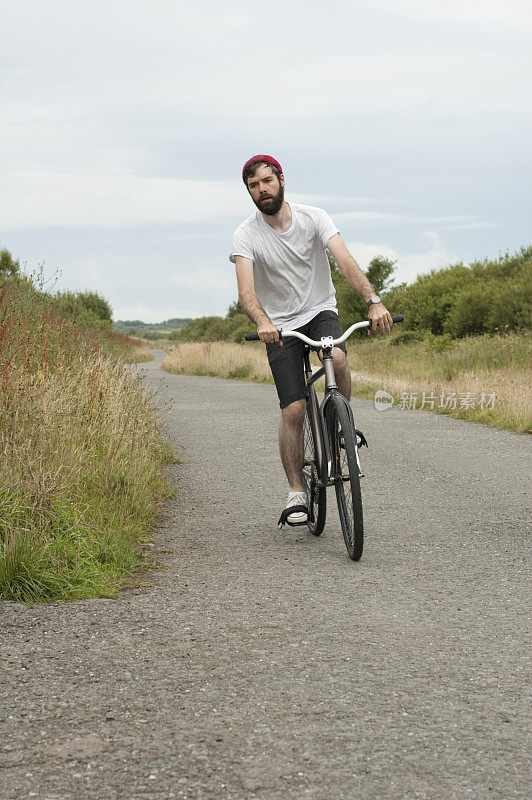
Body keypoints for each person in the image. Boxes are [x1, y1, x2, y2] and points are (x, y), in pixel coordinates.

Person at [229, 154, 394, 526]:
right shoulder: (245, 234)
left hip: (319, 311)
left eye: (267, 181)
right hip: (279, 326)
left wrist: (373, 301)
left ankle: (341, 432)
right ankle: (296, 491)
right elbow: (246, 291)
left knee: (336, 358)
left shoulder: (314, 217)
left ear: (281, 179)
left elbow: (345, 261)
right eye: (254, 185)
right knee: (294, 410)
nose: (262, 190)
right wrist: (262, 321)